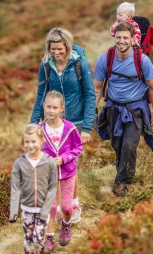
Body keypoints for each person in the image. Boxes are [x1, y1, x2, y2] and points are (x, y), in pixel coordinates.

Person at [30, 27, 96, 223]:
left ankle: (73, 205)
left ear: (67, 46)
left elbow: (90, 95)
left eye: (60, 49)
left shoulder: (80, 64)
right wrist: (34, 122)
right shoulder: (46, 65)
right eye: (53, 50)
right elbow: (41, 95)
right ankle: (60, 206)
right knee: (54, 166)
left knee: (70, 165)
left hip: (75, 122)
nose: (57, 53)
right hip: (53, 122)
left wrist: (86, 128)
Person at [94, 22, 153, 197]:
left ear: (132, 39)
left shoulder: (143, 61)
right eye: (119, 37)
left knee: (129, 145)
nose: (122, 41)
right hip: (114, 109)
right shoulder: (105, 59)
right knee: (117, 145)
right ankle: (123, 173)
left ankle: (122, 182)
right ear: (114, 38)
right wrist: (91, 111)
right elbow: (97, 88)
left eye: (125, 38)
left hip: (136, 110)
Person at [40, 90, 83, 252]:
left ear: (61, 109)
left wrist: (64, 158)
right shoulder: (40, 130)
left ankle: (66, 225)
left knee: (66, 207)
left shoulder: (70, 128)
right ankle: (49, 238)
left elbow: (78, 148)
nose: (51, 110)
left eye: (55, 107)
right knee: (51, 208)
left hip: (68, 173)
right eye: (48, 107)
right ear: (44, 106)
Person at [9, 124, 58, 254]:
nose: (30, 145)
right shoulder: (19, 163)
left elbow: (53, 188)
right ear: (23, 143)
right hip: (26, 209)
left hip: (43, 209)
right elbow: (15, 188)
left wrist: (45, 211)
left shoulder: (49, 162)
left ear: (42, 141)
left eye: (33, 141)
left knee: (38, 240)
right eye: (27, 142)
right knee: (28, 239)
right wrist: (13, 211)